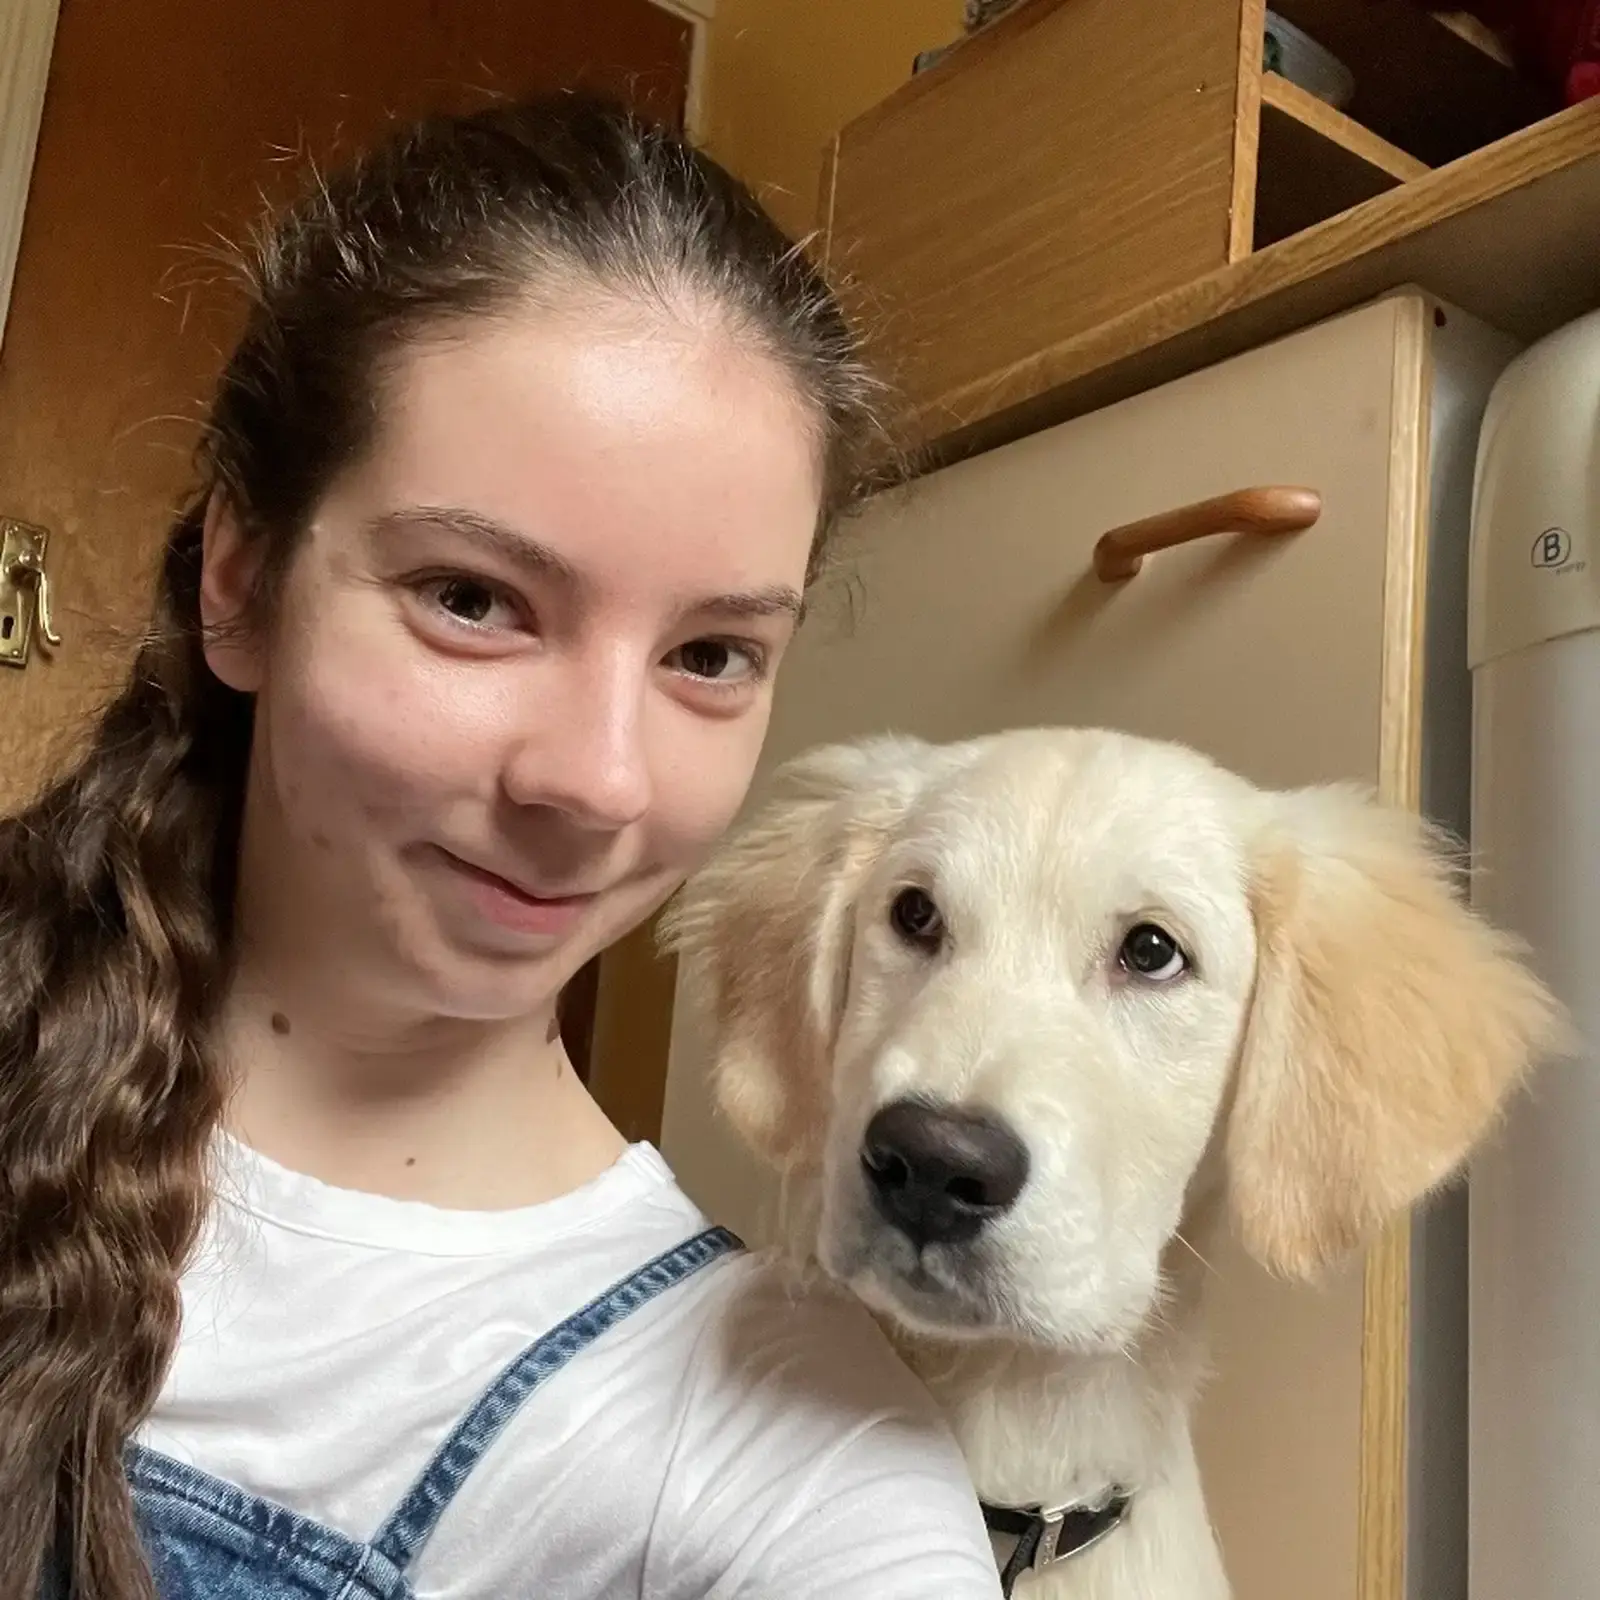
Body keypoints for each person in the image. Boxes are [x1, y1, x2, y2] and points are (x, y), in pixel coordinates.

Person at [0, 93, 1004, 1600]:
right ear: (242, 583)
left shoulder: (772, 1466)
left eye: (712, 655)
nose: (598, 784)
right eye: (474, 599)